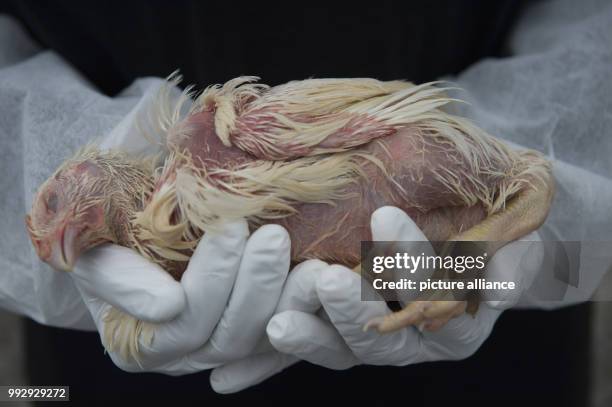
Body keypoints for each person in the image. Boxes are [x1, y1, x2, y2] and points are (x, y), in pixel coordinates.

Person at [1, 0, 611, 405]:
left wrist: (508, 266)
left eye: (53, 200)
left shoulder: (216, 135)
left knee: (509, 253)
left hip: (485, 371)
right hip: (118, 384)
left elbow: (541, 173)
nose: (52, 239)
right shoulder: (147, 254)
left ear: (82, 171)